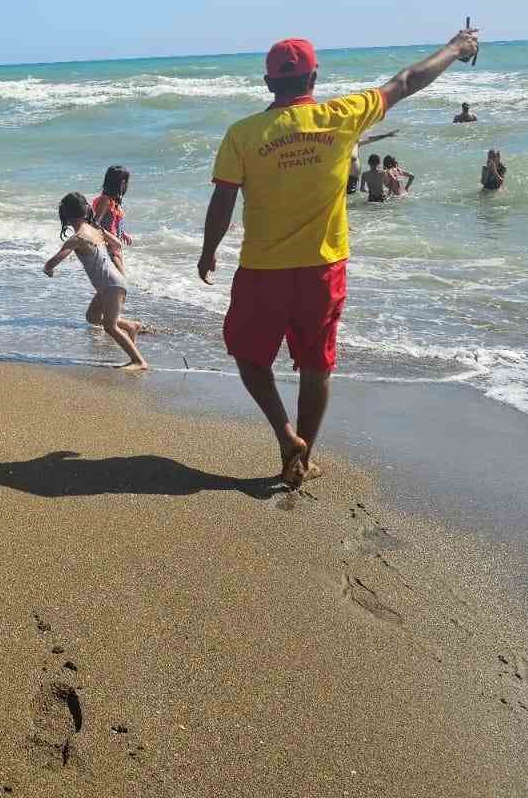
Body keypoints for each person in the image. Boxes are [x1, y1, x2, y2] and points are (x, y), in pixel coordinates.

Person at [197, 27, 479, 487]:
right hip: (323, 268)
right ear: (314, 78)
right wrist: (456, 47)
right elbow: (406, 81)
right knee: (316, 365)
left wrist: (208, 252)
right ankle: (300, 461)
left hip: (262, 270)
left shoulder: (243, 134)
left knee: (249, 359)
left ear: (269, 84)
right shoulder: (342, 116)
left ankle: (286, 436)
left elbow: (223, 202)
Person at [44, 192, 146, 368]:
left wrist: (48, 269)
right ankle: (131, 326)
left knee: (110, 326)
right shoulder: (95, 230)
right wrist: (102, 233)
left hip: (111, 285)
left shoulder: (77, 239)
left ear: (66, 216)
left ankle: (139, 361)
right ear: (85, 211)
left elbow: (54, 260)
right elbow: (117, 244)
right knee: (92, 316)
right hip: (111, 283)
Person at [89, 165, 131, 245]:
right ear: (115, 183)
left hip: (113, 243)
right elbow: (95, 223)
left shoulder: (114, 200)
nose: (125, 185)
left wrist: (122, 233)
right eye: (123, 181)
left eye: (126, 181)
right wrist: (111, 239)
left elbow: (112, 223)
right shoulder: (105, 200)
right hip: (107, 244)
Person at [346, 131, 397, 195]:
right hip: (348, 178)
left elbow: (370, 139)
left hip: (353, 178)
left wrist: (386, 135)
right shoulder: (350, 144)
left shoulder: (355, 143)